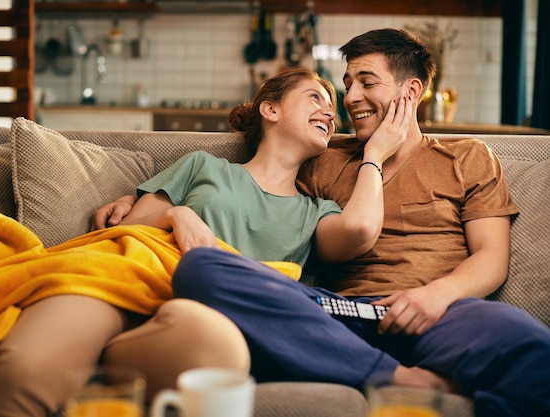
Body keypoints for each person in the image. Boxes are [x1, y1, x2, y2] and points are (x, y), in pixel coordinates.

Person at [0, 67, 406, 417]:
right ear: (270, 110)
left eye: (333, 109)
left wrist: (375, 154)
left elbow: (361, 230)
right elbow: (132, 229)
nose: (331, 112)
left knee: (216, 352)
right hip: (125, 283)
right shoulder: (204, 168)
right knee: (24, 372)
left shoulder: (314, 212)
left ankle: (98, 369)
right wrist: (178, 212)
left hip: (201, 315)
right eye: (316, 98)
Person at [168, 29, 550, 417]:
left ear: (411, 91)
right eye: (347, 84)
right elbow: (253, 182)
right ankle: (398, 377)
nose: (349, 99)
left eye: (367, 82)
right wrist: (156, 200)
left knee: (535, 351)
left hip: (443, 313)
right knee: (202, 268)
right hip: (337, 317)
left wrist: (437, 295)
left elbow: (492, 257)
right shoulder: (324, 156)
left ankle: (358, 369)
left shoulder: (467, 156)